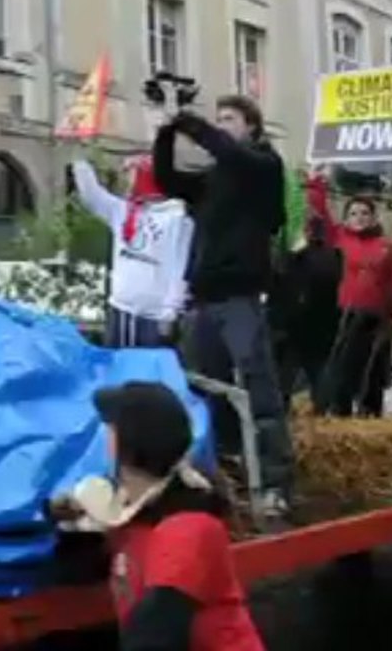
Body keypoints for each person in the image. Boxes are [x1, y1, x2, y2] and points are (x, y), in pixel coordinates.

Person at [152, 93, 292, 518]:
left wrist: (191, 122)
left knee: (258, 387)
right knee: (202, 389)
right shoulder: (215, 178)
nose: (222, 125)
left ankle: (274, 482)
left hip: (240, 297)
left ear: (251, 126)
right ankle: (216, 473)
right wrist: (166, 133)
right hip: (205, 298)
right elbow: (169, 181)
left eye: (229, 118)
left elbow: (230, 153)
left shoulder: (264, 166)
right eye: (219, 118)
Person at [49, 382, 265, 651]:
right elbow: (77, 572)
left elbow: (155, 630)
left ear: (121, 443)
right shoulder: (134, 517)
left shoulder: (187, 530)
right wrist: (73, 528)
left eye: (110, 428)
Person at [306, 169, 392, 417]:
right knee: (343, 369)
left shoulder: (388, 247)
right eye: (353, 214)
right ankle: (340, 413)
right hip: (345, 315)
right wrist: (315, 183)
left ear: (374, 217)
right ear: (346, 218)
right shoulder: (339, 238)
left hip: (376, 317)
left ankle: (370, 415)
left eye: (365, 213)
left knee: (372, 371)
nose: (359, 218)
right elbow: (320, 213)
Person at [69, 156, 194, 348]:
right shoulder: (123, 211)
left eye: (131, 174)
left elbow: (181, 268)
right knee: (119, 372)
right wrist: (80, 160)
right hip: (120, 310)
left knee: (150, 376)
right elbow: (92, 196)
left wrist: (171, 311)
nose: (126, 182)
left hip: (155, 317)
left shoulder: (178, 220)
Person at [271, 216, 343, 413]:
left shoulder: (293, 259)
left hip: (294, 327)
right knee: (320, 374)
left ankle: (283, 415)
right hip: (325, 326)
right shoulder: (336, 258)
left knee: (286, 378)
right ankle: (322, 415)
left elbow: (279, 287)